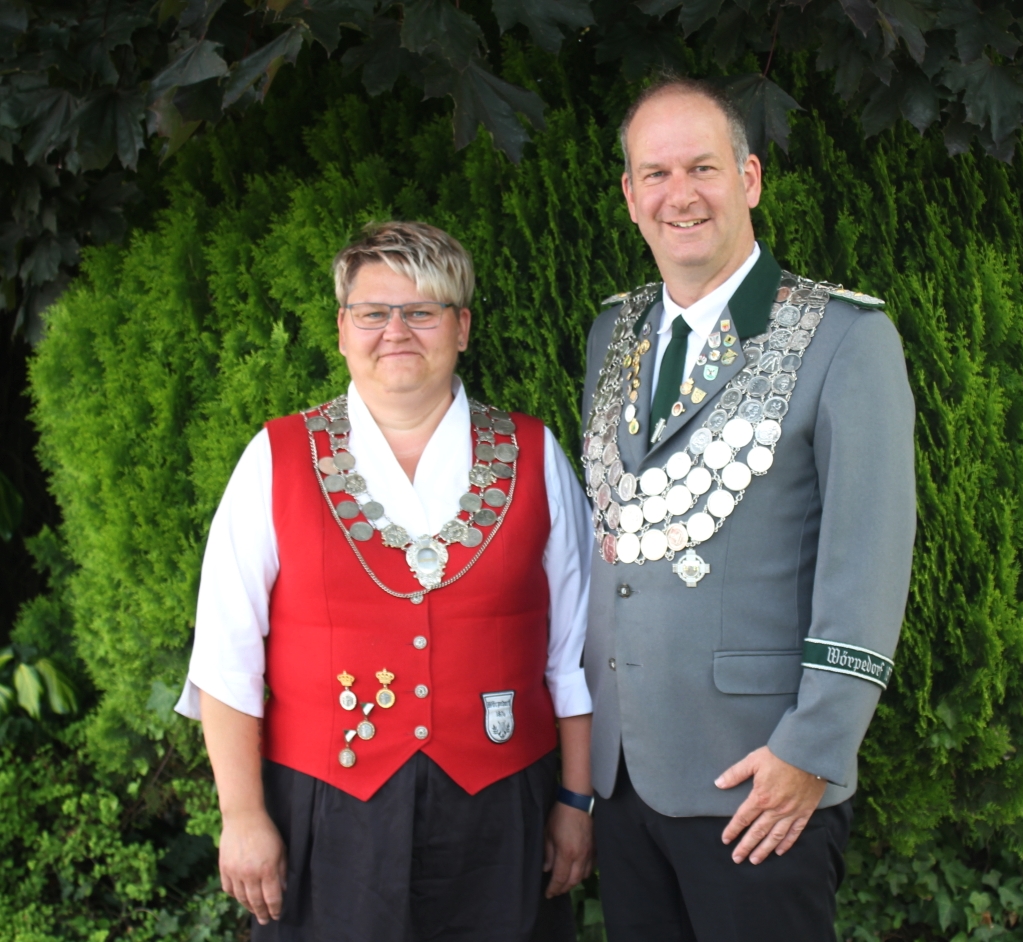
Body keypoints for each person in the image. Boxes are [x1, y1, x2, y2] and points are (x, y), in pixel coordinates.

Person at [176, 221, 595, 941]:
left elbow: (575, 653)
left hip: (502, 810)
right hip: (325, 810)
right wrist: (242, 816)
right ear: (343, 330)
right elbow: (226, 661)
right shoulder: (275, 458)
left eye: (421, 311)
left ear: (462, 328)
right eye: (373, 312)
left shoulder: (536, 453)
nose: (395, 331)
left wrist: (576, 801)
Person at [580, 77, 916, 941]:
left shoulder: (844, 338)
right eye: (655, 174)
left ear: (750, 178)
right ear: (630, 195)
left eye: (703, 168)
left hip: (759, 777)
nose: (679, 195)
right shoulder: (613, 335)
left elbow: (869, 563)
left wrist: (814, 748)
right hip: (624, 776)